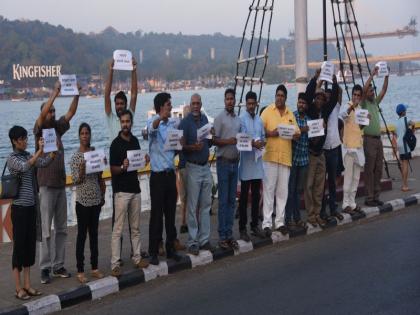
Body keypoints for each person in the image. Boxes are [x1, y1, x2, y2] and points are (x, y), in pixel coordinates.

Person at [34, 81, 80, 284]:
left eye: (54, 110)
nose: (52, 113)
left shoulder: (58, 129)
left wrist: (76, 94)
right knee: (46, 231)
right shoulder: (38, 130)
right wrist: (55, 93)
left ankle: (58, 265)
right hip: (45, 186)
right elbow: (42, 116)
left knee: (61, 228)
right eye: (49, 111)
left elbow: (70, 112)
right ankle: (44, 268)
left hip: (61, 186)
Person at [7, 126, 55, 300]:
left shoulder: (29, 155)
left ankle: (27, 285)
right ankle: (18, 287)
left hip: (31, 208)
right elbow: (25, 167)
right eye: (22, 138)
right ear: (14, 141)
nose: (25, 141)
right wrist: (39, 151)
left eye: (26, 137)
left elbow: (41, 163)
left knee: (29, 248)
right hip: (19, 209)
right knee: (18, 249)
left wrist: (51, 152)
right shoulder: (12, 158)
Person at [104, 57, 138, 264]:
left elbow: (135, 94)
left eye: (121, 103)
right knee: (118, 219)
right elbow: (106, 95)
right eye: (117, 103)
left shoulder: (128, 116)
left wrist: (134, 70)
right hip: (116, 170)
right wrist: (111, 71)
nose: (119, 106)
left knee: (132, 221)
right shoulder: (110, 118)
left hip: (132, 172)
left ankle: (133, 254)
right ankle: (117, 257)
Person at [109, 110, 149, 277]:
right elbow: (112, 169)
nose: (125, 124)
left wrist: (144, 160)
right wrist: (123, 167)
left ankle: (137, 257)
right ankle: (115, 264)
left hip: (135, 189)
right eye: (123, 121)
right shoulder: (115, 144)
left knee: (135, 228)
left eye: (128, 121)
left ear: (131, 123)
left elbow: (137, 165)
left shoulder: (135, 141)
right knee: (118, 230)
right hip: (121, 192)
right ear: (120, 123)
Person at [147, 93, 183, 265]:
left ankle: (170, 249)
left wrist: (179, 145)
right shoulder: (153, 121)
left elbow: (173, 149)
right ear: (161, 107)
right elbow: (150, 130)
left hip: (170, 174)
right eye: (168, 104)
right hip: (157, 177)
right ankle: (153, 251)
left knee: (170, 214)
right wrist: (159, 118)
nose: (171, 107)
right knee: (156, 216)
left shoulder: (171, 125)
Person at [260, 85, 300, 236]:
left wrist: (296, 135)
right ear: (275, 96)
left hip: (285, 158)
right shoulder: (267, 111)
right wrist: (270, 133)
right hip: (270, 157)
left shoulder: (290, 113)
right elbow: (259, 128)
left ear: (285, 98)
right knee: (269, 190)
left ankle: (280, 222)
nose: (279, 98)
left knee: (282, 192)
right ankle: (267, 223)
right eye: (277, 95)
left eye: (282, 95)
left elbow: (296, 132)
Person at [70, 123, 106, 283]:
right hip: (82, 201)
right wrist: (83, 169)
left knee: (94, 235)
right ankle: (80, 270)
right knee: (81, 236)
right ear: (79, 136)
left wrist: (102, 163)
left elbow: (100, 177)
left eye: (87, 133)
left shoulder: (95, 153)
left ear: (90, 135)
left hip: (96, 199)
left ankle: (95, 267)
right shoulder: (76, 157)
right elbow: (76, 181)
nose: (85, 136)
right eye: (82, 133)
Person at [179, 94, 214, 255]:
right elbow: (180, 146)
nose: (195, 106)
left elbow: (209, 141)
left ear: (201, 104)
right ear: (190, 104)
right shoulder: (184, 123)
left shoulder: (205, 119)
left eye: (197, 103)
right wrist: (193, 147)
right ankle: (193, 241)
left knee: (206, 205)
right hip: (192, 167)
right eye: (193, 103)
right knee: (193, 207)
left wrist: (212, 134)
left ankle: (204, 239)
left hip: (206, 166)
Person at [304, 70, 338, 227]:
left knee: (319, 186)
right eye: (317, 98)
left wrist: (334, 81)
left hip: (321, 154)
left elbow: (335, 98)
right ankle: (310, 215)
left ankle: (317, 214)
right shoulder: (310, 110)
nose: (319, 100)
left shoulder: (325, 111)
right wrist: (316, 77)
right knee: (309, 185)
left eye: (321, 98)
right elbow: (308, 93)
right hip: (311, 154)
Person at [213, 88, 242, 249]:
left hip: (235, 162)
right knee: (223, 201)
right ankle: (222, 235)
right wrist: (228, 142)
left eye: (232, 99)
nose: (230, 101)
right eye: (228, 99)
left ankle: (229, 234)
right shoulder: (219, 119)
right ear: (225, 101)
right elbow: (214, 140)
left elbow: (241, 140)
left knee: (232, 201)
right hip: (223, 162)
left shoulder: (238, 120)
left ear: (235, 100)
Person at [238, 91, 265, 241]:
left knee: (256, 196)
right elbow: (240, 139)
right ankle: (242, 228)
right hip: (246, 163)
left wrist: (262, 142)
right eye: (248, 104)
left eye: (253, 103)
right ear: (245, 104)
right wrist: (252, 143)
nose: (250, 106)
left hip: (257, 162)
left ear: (256, 104)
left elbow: (263, 137)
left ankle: (254, 225)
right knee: (243, 198)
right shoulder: (241, 119)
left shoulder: (260, 120)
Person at [361, 66, 389, 206]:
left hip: (378, 141)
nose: (373, 92)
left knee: (378, 169)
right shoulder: (364, 103)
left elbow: (383, 90)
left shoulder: (375, 102)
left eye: (373, 90)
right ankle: (369, 198)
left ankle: (376, 196)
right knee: (369, 170)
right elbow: (364, 89)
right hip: (369, 140)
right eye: (371, 91)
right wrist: (371, 75)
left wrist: (386, 76)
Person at [340, 85, 366, 215]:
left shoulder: (361, 109)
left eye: (358, 95)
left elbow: (360, 127)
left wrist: (366, 121)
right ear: (352, 95)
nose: (356, 97)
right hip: (349, 147)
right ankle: (345, 203)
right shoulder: (347, 106)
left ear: (361, 97)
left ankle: (352, 203)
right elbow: (342, 115)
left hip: (358, 147)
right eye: (354, 94)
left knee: (356, 177)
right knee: (348, 176)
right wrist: (352, 106)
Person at [285, 92, 309, 229]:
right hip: (293, 160)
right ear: (297, 103)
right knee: (290, 190)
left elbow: (313, 136)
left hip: (304, 160)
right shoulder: (291, 117)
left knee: (298, 191)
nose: (301, 105)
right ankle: (289, 219)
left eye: (304, 103)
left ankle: (297, 218)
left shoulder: (309, 119)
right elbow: (289, 132)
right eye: (300, 102)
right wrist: (303, 129)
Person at [320, 86, 344, 221]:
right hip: (323, 149)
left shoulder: (336, 108)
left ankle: (333, 209)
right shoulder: (321, 110)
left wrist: (334, 80)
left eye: (330, 97)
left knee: (333, 181)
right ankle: (323, 210)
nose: (328, 99)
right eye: (326, 97)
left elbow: (339, 92)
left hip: (334, 147)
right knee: (322, 183)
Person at [395, 104, 415, 192]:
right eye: (405, 110)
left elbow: (396, 134)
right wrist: (412, 131)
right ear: (403, 112)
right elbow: (413, 124)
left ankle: (404, 184)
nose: (406, 111)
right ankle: (405, 185)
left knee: (403, 164)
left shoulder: (396, 122)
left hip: (399, 144)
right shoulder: (406, 119)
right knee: (405, 164)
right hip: (405, 145)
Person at [178, 105, 191, 234]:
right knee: (192, 196)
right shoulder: (190, 127)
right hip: (189, 166)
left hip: (181, 166)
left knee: (183, 197)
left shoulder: (179, 128)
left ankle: (183, 222)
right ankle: (189, 221)